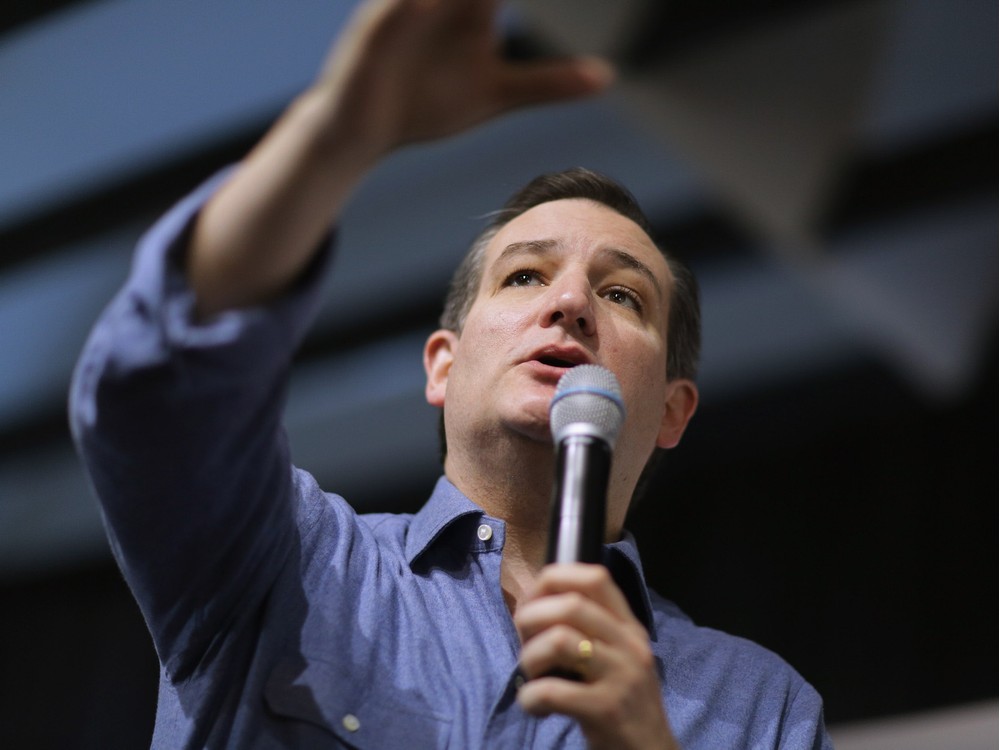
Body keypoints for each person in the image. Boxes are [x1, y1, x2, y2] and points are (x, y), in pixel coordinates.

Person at [70, 0, 832, 747]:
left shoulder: (761, 710)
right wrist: (340, 136)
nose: (570, 302)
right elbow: (165, 390)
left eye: (622, 294)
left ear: (673, 412)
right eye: (526, 277)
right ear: (443, 364)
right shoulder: (291, 562)